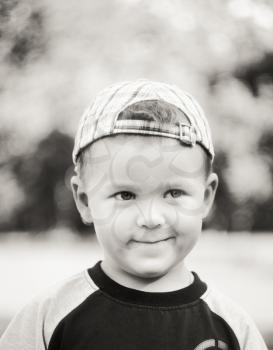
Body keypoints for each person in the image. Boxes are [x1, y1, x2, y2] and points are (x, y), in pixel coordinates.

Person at [0, 79, 268, 350]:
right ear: (85, 201)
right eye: (126, 195)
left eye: (174, 193)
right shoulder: (50, 319)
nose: (151, 218)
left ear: (206, 196)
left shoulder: (233, 329)